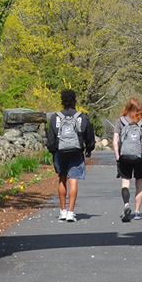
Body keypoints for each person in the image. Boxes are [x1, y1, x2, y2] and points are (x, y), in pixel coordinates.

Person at [47, 88, 94, 222]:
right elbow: (88, 134)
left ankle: (62, 211)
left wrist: (54, 151)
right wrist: (89, 149)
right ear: (74, 101)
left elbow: (50, 138)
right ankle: (71, 212)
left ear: (62, 101)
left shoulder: (55, 117)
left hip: (60, 151)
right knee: (73, 179)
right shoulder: (81, 117)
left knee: (62, 179)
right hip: (76, 151)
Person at [112, 97, 142, 222]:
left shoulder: (120, 121)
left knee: (125, 182)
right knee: (139, 183)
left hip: (124, 156)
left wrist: (118, 157)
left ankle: (126, 205)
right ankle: (137, 211)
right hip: (139, 156)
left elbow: (115, 142)